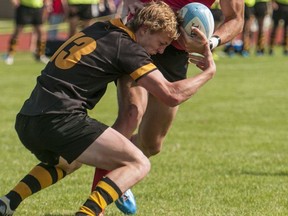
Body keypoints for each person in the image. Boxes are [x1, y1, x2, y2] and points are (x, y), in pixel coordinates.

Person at [0, 1, 216, 216]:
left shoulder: (101, 28)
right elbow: (171, 95)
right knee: (138, 163)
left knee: (69, 161)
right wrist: (208, 72)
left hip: (29, 118)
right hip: (59, 119)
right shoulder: (128, 48)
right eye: (161, 43)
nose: (160, 52)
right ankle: (89, 212)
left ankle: (8, 202)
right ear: (145, 29)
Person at [92, 0, 244, 214]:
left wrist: (210, 43)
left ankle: (119, 168)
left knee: (151, 144)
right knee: (131, 115)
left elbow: (236, 19)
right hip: (143, 36)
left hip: (176, 52)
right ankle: (95, 207)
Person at [4, 0, 50, 65]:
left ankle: (40, 55)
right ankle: (10, 55)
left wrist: (47, 3)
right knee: (18, 31)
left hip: (38, 8)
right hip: (24, 7)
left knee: (41, 32)